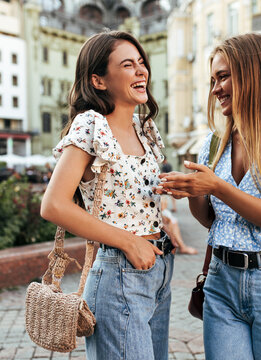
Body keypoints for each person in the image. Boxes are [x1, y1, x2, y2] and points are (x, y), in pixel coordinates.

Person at [156, 33, 261, 360]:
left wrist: (218, 187)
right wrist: (193, 190)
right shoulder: (213, 143)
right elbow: (210, 219)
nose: (215, 88)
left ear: (254, 74)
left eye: (223, 77)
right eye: (212, 80)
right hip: (220, 283)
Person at [41, 31, 175, 360]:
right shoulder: (91, 125)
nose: (141, 70)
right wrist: (129, 241)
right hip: (119, 272)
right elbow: (54, 205)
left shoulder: (146, 129)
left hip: (159, 268)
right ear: (98, 80)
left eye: (142, 63)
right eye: (128, 64)